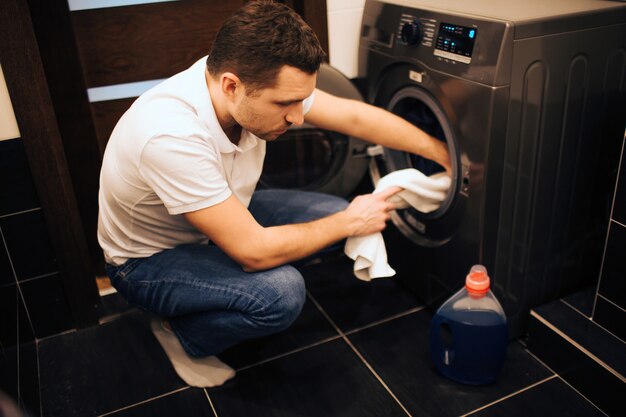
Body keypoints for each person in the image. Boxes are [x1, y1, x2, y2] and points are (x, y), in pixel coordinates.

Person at [98, 0, 450, 388]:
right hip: (147, 262)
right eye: (285, 105)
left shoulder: (252, 76)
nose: (298, 117)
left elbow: (353, 117)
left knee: (332, 215)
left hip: (214, 223)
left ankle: (212, 295)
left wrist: (442, 152)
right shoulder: (170, 135)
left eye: (302, 101)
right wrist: (350, 220)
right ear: (231, 86)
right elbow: (254, 251)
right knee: (280, 293)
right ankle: (180, 332)